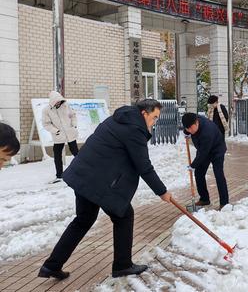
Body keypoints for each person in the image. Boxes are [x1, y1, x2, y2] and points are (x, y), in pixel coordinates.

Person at [38, 99, 172, 280]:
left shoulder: (118, 119)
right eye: (154, 117)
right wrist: (162, 191)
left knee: (83, 220)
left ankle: (51, 265)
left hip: (83, 174)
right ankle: (122, 265)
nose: (155, 122)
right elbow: (144, 166)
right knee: (124, 216)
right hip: (97, 180)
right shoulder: (134, 130)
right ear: (144, 114)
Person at [182, 112, 229, 210]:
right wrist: (186, 133)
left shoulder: (207, 131)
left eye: (191, 128)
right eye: (187, 129)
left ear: (196, 123)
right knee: (199, 173)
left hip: (217, 150)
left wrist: (193, 165)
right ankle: (204, 199)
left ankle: (224, 203)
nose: (190, 130)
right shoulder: (191, 123)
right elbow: (188, 128)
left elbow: (203, 153)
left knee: (218, 174)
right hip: (204, 149)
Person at [42, 91, 79, 182]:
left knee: (76, 152)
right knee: (57, 155)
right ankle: (59, 175)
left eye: (59, 101)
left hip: (70, 133)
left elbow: (73, 115)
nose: (58, 103)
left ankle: (83, 170)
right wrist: (56, 131)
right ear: (52, 101)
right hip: (58, 135)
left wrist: (74, 124)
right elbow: (46, 124)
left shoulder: (66, 105)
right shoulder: (46, 110)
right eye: (56, 101)